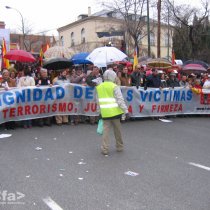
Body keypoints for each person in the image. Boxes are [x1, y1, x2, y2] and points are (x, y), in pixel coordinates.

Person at [96, 69, 129, 155]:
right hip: (115, 113)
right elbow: (120, 100)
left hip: (105, 113)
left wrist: (99, 112)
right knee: (118, 131)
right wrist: (125, 111)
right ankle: (119, 146)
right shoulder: (114, 86)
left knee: (105, 133)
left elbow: (97, 101)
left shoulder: (99, 87)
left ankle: (104, 149)